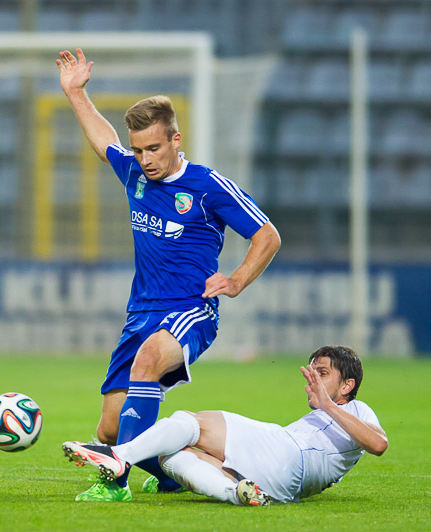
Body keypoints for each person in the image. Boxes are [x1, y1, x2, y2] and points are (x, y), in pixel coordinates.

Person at [56, 48, 282, 501]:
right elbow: (104, 143)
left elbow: (267, 235)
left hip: (190, 311)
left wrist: (236, 280)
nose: (145, 159)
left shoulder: (207, 186)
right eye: (139, 150)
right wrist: (76, 93)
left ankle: (114, 483)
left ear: (176, 139)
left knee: (147, 361)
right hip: (140, 312)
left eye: (154, 148)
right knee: (110, 428)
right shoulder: (135, 174)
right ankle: (172, 473)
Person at [63, 345, 388, 506]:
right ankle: (237, 493)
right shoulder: (320, 418)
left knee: (190, 421)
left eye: (323, 373)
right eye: (312, 372)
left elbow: (378, 444)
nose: (312, 380)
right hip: (282, 488)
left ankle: (119, 456)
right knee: (171, 457)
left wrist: (328, 404)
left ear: (347, 385)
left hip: (288, 452)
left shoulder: (357, 409)